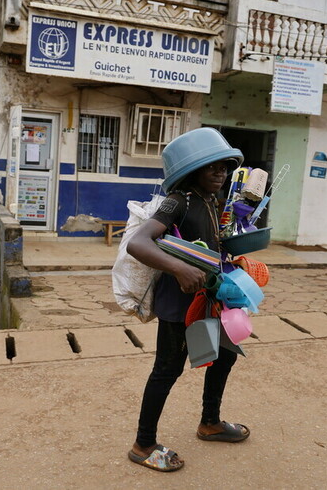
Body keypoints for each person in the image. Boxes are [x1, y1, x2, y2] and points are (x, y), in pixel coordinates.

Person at [126, 127, 250, 472]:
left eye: (225, 167)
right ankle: (143, 443)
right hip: (179, 302)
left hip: (213, 295)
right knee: (167, 370)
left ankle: (210, 422)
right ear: (192, 170)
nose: (220, 174)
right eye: (212, 167)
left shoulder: (213, 201)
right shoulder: (178, 201)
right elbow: (139, 243)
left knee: (225, 356)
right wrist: (180, 270)